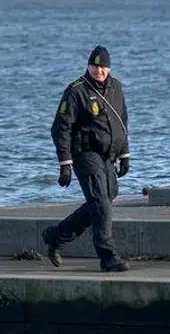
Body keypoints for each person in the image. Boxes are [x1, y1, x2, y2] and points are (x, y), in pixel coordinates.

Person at [42, 45, 130, 272]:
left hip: (108, 155)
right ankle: (108, 257)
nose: (99, 70)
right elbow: (60, 128)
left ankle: (56, 236)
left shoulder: (116, 87)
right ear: (88, 66)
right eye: (95, 66)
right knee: (100, 202)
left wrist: (124, 154)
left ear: (109, 68)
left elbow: (121, 121)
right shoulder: (76, 91)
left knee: (106, 198)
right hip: (85, 154)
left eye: (103, 66)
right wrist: (65, 164)